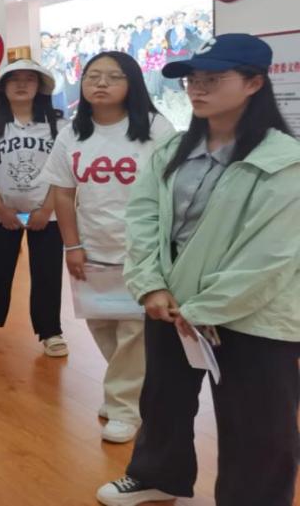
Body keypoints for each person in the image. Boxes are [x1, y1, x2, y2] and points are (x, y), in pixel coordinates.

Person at [97, 34, 300, 506]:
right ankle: (157, 476)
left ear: (254, 83)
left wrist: (203, 308)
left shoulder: (284, 162)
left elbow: (270, 256)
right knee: (163, 399)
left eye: (214, 78)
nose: (198, 88)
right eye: (192, 79)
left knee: (257, 424)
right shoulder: (172, 150)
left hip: (252, 315)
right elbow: (143, 217)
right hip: (171, 304)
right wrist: (150, 286)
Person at [42, 51, 176, 444]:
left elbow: (172, 190)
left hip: (141, 250)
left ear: (132, 83)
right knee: (102, 323)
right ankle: (130, 391)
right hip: (92, 245)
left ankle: (123, 406)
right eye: (92, 76)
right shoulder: (71, 133)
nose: (101, 83)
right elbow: (63, 193)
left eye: (113, 77)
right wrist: (72, 244)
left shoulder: (156, 128)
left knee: (135, 331)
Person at [0, 59, 68, 356]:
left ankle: (50, 331)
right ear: (3, 87)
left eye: (29, 79)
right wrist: (1, 209)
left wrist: (46, 209)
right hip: (2, 212)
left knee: (47, 272)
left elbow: (64, 171)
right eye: (14, 79)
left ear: (40, 86)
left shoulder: (59, 125)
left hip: (46, 212)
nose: (21, 84)